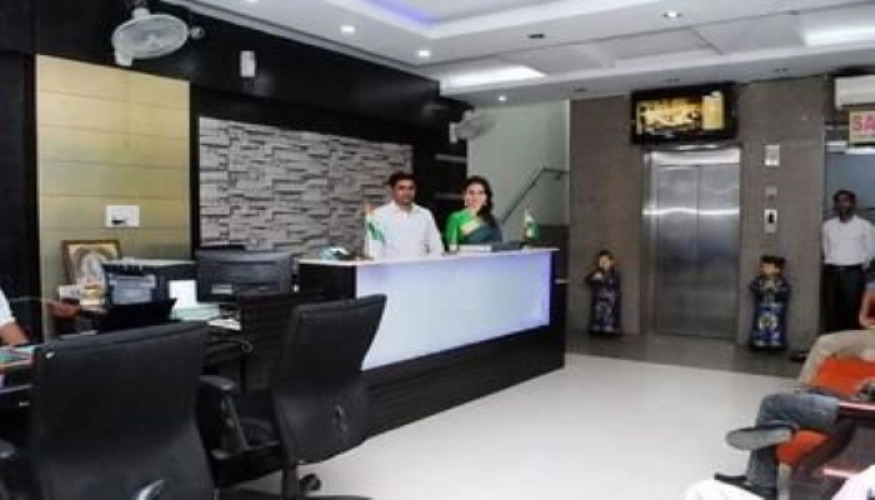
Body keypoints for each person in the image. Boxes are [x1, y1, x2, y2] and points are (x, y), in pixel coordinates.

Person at [712, 379, 875, 499]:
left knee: (772, 404)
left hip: (855, 412)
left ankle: (762, 482)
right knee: (813, 390)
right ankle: (786, 429)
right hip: (858, 407)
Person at [822, 189, 874, 333]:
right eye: (838, 201)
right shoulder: (827, 226)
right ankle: (833, 343)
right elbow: (826, 249)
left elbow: (871, 251)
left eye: (845, 201)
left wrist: (856, 267)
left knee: (852, 310)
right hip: (832, 272)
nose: (842, 205)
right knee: (831, 310)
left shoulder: (865, 226)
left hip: (853, 273)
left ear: (853, 204)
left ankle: (850, 344)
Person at [364, 171, 443, 260]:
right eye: (401, 188)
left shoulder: (425, 214)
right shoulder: (378, 216)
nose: (407, 192)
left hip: (421, 267)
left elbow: (436, 245)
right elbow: (374, 250)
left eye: (411, 188)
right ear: (391, 190)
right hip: (391, 268)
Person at [443, 176, 502, 249]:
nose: (475, 197)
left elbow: (499, 246)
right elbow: (452, 248)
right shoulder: (456, 218)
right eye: (471, 193)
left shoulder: (491, 220)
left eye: (480, 193)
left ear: (486, 197)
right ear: (464, 195)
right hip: (466, 255)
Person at [748, 255, 790, 351]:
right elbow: (752, 287)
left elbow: (785, 291)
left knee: (774, 327)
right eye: (762, 266)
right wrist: (763, 289)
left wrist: (775, 289)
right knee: (760, 326)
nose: (763, 268)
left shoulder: (780, 282)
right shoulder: (760, 280)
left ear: (777, 269)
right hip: (762, 309)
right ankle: (759, 341)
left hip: (775, 310)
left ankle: (774, 342)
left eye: (767, 267)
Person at [585, 250, 621, 335]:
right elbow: (587, 280)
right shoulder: (596, 272)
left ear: (611, 262)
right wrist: (595, 278)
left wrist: (603, 279)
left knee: (609, 316)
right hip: (598, 302)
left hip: (610, 301)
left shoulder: (615, 274)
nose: (603, 263)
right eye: (601, 261)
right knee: (598, 315)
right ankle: (597, 328)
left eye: (606, 261)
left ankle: (610, 328)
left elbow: (615, 284)